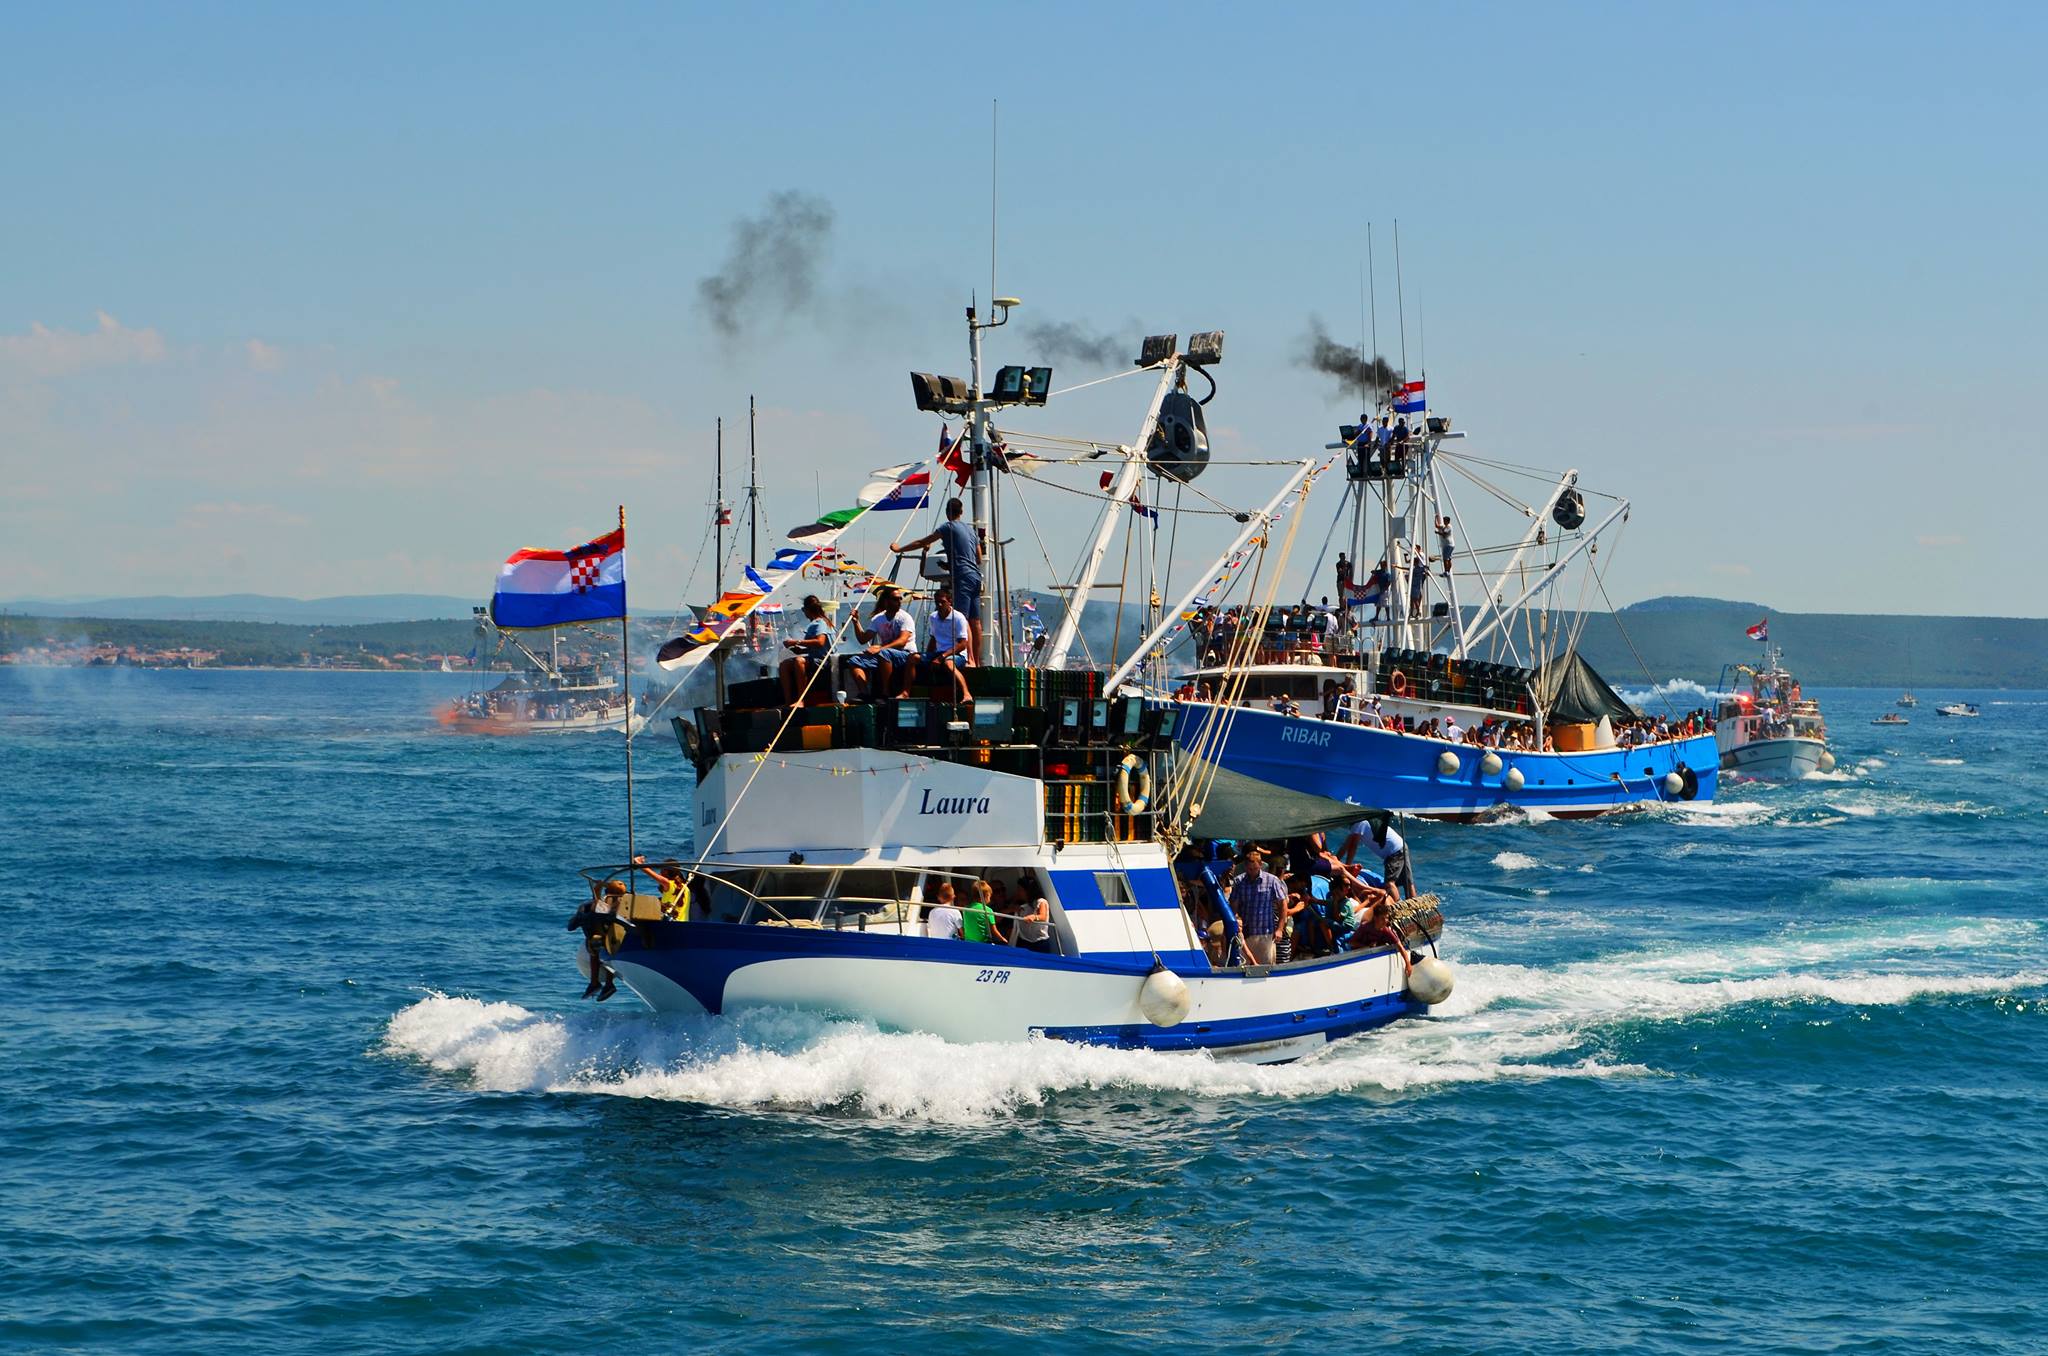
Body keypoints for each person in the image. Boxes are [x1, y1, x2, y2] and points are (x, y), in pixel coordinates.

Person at [892, 496, 983, 658]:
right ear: (961, 512)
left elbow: (922, 542)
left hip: (962, 577)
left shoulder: (947, 527)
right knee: (975, 621)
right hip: (976, 576)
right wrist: (950, 566)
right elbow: (979, 559)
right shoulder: (971, 530)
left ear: (948, 513)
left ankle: (969, 660)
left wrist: (899, 549)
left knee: (962, 618)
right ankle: (977, 660)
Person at [848, 586, 916, 698]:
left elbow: (902, 641)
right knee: (854, 661)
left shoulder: (905, 618)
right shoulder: (878, 619)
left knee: (884, 653)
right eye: (895, 599)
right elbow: (863, 639)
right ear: (886, 601)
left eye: (900, 599)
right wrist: (856, 622)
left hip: (905, 654)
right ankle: (864, 693)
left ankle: (886, 692)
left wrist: (879, 648)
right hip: (885, 654)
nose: (899, 601)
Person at [566, 878, 626, 1000]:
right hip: (611, 940)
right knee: (599, 945)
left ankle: (599, 983)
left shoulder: (608, 905)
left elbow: (571, 927)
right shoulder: (625, 904)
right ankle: (602, 984)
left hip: (610, 942)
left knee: (599, 946)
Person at [1227, 848, 1287, 966]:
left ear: (1260, 864)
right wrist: (1234, 927)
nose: (1252, 871)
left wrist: (1280, 928)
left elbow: (1283, 905)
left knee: (1266, 968)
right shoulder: (1239, 881)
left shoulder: (1272, 880)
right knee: (1244, 967)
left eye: (1255, 868)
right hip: (1246, 933)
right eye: (1249, 869)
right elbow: (1234, 906)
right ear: (1245, 866)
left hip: (1266, 933)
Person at [1340, 816, 1416, 900]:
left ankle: (1399, 909)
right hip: (1401, 845)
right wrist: (1336, 858)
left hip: (1393, 852)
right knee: (1408, 882)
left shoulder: (1358, 822)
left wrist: (1347, 866)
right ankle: (1417, 908)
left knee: (1389, 883)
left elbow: (1353, 846)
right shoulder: (1365, 820)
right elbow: (1346, 844)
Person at [779, 594, 833, 704]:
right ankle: (788, 701)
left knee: (799, 661)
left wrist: (795, 642)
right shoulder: (816, 623)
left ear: (808, 610)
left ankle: (802, 699)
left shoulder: (820, 623)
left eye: (804, 610)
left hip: (824, 661)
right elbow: (816, 647)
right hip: (815, 659)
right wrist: (802, 650)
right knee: (785, 664)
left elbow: (820, 642)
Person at [922, 586, 973, 702]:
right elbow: (933, 639)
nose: (939, 605)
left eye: (943, 602)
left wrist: (941, 657)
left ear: (950, 602)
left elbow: (962, 644)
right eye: (937, 602)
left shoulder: (958, 618)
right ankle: (906, 692)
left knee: (948, 664)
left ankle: (966, 693)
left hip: (957, 654)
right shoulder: (933, 617)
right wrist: (927, 655)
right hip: (939, 653)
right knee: (912, 658)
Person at [1346, 899, 1415, 978]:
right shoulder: (1364, 927)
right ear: (1375, 918)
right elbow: (1351, 942)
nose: (1386, 921)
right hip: (1359, 955)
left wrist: (1408, 964)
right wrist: (1367, 947)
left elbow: (1400, 947)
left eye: (1387, 918)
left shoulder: (1386, 931)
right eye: (1382, 918)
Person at [634, 854, 690, 921]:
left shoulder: (668, 884)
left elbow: (651, 874)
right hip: (684, 924)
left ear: (666, 871)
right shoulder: (685, 888)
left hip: (671, 925)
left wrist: (638, 862)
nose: (660, 871)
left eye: (662, 869)